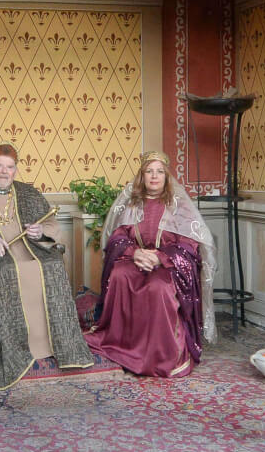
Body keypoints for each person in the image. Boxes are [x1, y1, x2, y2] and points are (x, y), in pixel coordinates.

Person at [0, 144, 94, 389]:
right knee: (7, 271)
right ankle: (16, 350)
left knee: (53, 267)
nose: (4, 172)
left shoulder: (28, 194)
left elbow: (52, 225)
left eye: (10, 167)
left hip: (30, 250)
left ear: (15, 170)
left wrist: (40, 231)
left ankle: (55, 345)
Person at [86, 152, 215, 377]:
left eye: (159, 172)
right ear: (142, 176)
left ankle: (162, 354)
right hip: (136, 260)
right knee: (119, 275)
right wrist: (134, 253)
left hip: (168, 266)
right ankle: (123, 344)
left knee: (158, 288)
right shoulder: (132, 204)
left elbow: (189, 244)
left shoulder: (179, 206)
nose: (154, 176)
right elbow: (117, 237)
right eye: (149, 171)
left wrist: (160, 258)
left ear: (166, 176)